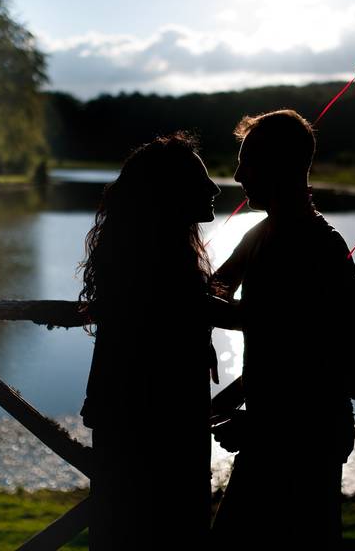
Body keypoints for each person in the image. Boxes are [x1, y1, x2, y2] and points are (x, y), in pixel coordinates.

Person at [209, 110, 355, 549]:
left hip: (305, 443)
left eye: (249, 161)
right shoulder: (260, 235)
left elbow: (351, 369)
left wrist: (260, 427)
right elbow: (214, 292)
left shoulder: (321, 247)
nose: (239, 174)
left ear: (280, 166)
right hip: (274, 436)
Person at [78, 131, 226, 550]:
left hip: (128, 422)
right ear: (171, 194)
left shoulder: (146, 257)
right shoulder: (163, 269)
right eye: (201, 180)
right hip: (159, 432)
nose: (215, 187)